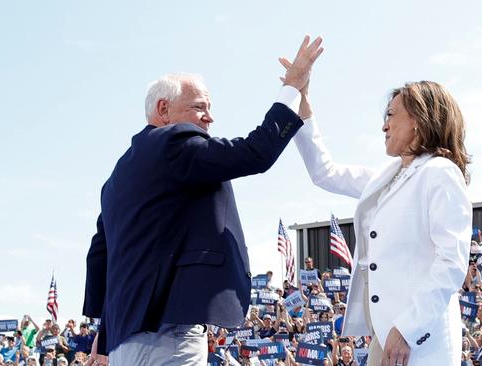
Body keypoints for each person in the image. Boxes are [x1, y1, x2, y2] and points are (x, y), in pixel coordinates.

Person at [82, 36, 324, 365]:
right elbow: (256, 152)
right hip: (173, 334)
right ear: (163, 110)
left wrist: (105, 330)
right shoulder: (173, 143)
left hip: (124, 341)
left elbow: (102, 257)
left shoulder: (115, 179)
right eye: (199, 106)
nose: (209, 117)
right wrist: (292, 88)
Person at [286, 75, 472, 365]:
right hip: (386, 337)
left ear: (418, 121)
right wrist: (301, 99)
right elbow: (325, 172)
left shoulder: (440, 172)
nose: (384, 125)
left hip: (419, 341)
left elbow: (452, 263)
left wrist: (408, 330)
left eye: (391, 115)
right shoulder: (385, 178)